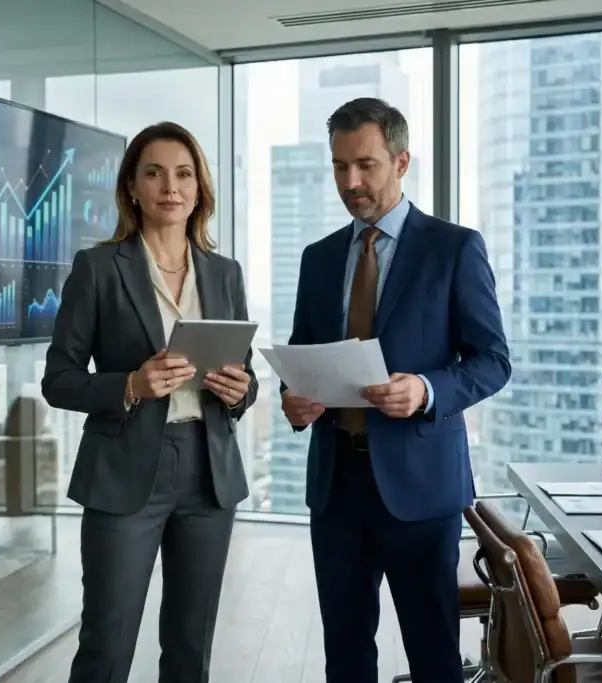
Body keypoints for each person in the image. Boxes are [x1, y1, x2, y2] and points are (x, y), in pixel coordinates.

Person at [281, 97, 511, 683]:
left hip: (421, 487)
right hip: (336, 487)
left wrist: (428, 390)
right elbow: (301, 353)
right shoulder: (319, 258)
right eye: (339, 167)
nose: (351, 182)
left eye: (366, 165)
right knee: (346, 652)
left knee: (433, 654)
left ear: (401, 161)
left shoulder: (454, 248)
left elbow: (492, 361)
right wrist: (294, 398)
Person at [42, 121, 258, 683]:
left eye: (184, 174)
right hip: (124, 470)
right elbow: (58, 379)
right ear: (132, 187)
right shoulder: (98, 268)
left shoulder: (224, 273)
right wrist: (131, 385)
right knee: (106, 644)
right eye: (155, 173)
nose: (171, 186)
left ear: (199, 188)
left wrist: (242, 391)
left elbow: (245, 374)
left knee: (191, 647)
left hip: (208, 473)